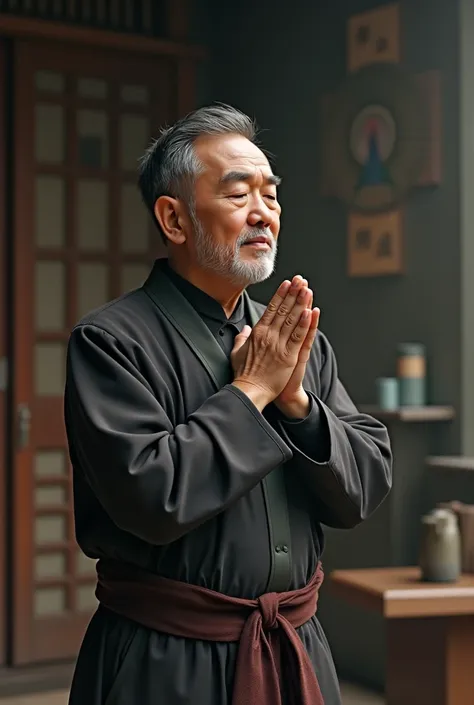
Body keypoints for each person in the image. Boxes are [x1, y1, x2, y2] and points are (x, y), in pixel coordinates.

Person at [65, 104, 392, 705]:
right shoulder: (111, 341)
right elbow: (152, 497)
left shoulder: (293, 338)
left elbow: (363, 487)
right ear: (174, 219)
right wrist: (252, 392)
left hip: (293, 644)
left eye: (271, 194)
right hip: (165, 657)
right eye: (239, 193)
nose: (263, 211)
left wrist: (296, 404)